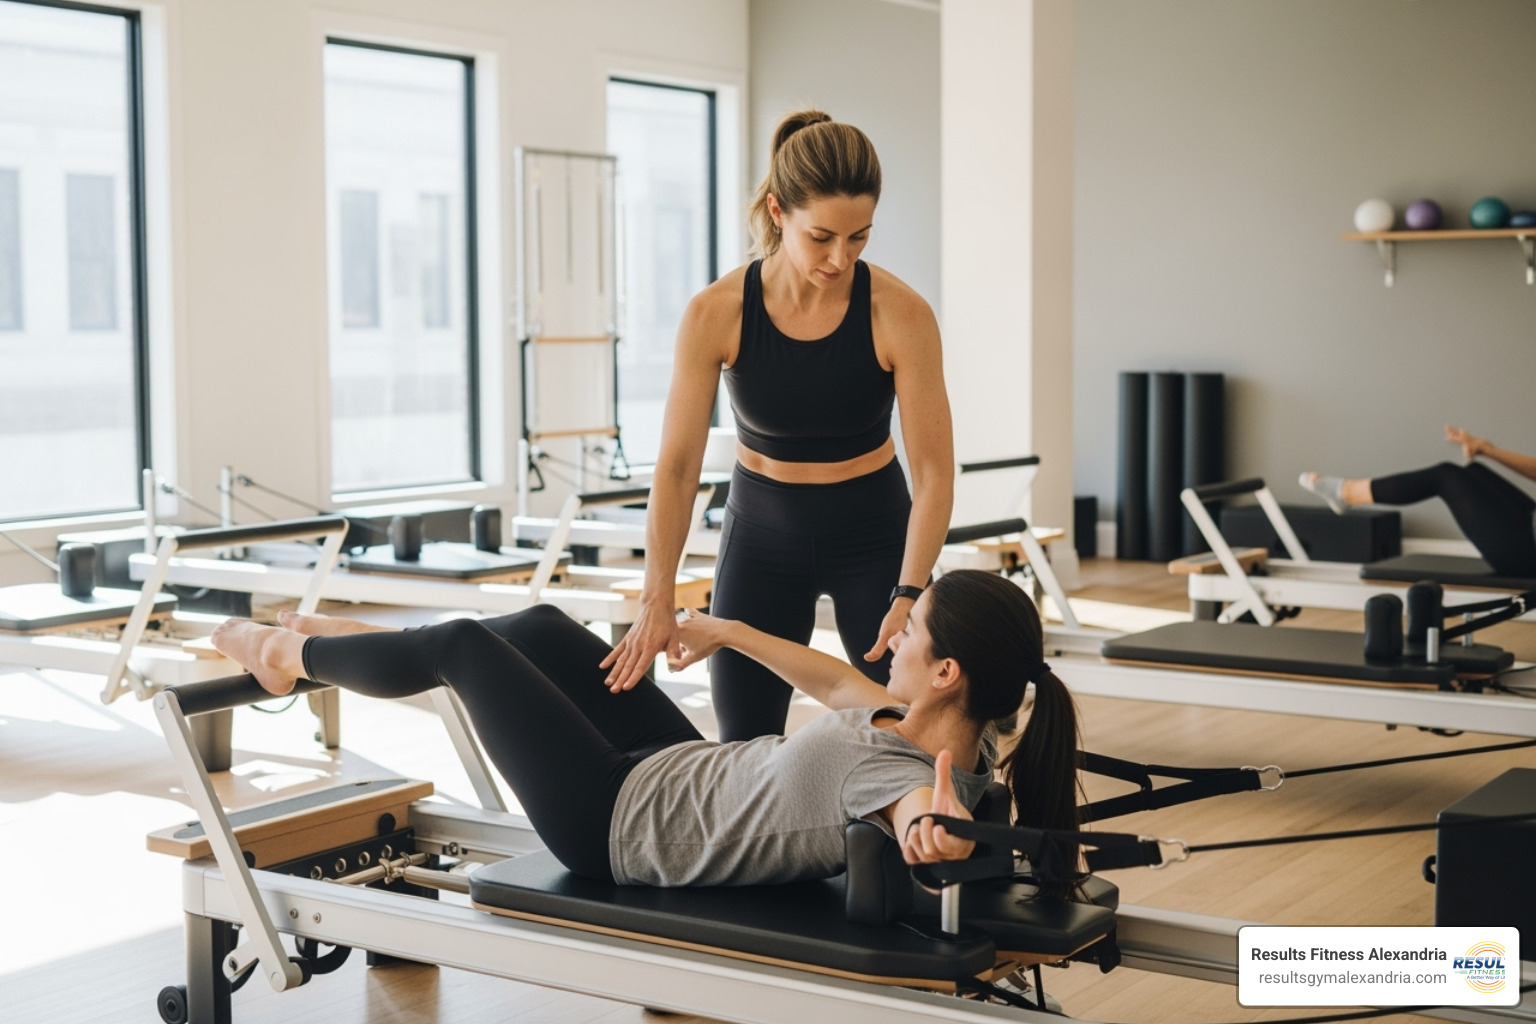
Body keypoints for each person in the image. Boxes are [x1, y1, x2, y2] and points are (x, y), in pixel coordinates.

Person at [209, 569, 1079, 888]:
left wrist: (933, 841)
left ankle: (289, 654)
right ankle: (354, 642)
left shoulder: (903, 780)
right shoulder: (941, 728)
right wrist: (726, 630)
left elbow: (920, 826)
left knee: (468, 649)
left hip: (620, 822)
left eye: (911, 632)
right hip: (679, 769)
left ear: (946, 673)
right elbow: (829, 679)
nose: (892, 641)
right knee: (546, 627)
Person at [599, 109, 955, 743]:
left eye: (859, 238)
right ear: (777, 211)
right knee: (744, 741)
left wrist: (911, 589)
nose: (840, 258)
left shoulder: (901, 314)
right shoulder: (717, 312)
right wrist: (657, 593)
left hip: (874, 534)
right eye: (821, 237)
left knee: (904, 732)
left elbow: (931, 473)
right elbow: (677, 469)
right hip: (763, 535)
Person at [1300, 424, 1536, 577]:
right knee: (1475, 472)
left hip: (1528, 557)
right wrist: (1484, 449)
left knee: (1445, 476)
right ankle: (1346, 493)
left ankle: (1347, 492)